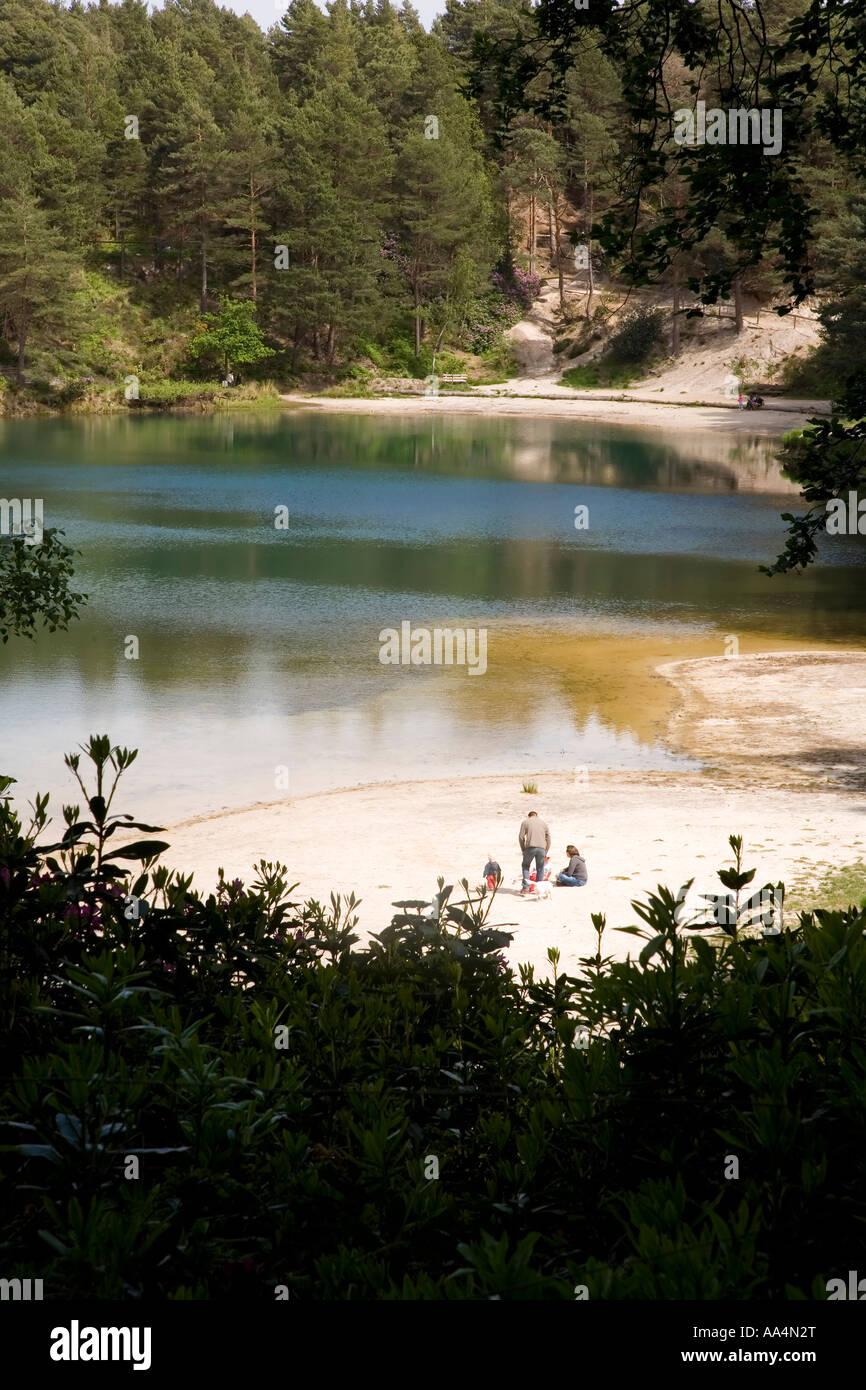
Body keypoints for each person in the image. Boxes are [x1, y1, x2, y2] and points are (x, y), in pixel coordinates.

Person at [519, 809, 550, 895]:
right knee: (540, 867)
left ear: (529, 816)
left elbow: (521, 837)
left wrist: (523, 849)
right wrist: (546, 851)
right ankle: (539, 889)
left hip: (530, 848)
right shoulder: (543, 823)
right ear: (537, 816)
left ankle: (526, 888)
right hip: (542, 849)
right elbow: (548, 838)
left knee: (525, 866)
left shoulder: (525, 822)